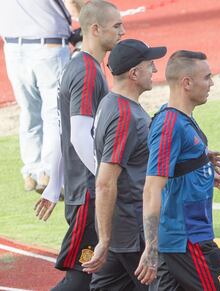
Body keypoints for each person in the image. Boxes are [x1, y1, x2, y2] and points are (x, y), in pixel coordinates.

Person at [35, 1, 125, 290]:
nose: (122, 31)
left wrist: (55, 184)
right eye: (117, 26)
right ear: (95, 29)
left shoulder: (83, 65)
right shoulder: (86, 71)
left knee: (107, 272)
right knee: (81, 277)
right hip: (89, 194)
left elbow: (65, 131)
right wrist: (106, 177)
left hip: (84, 189)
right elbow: (77, 134)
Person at [135, 50, 220, 291]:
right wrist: (150, 248)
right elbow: (152, 188)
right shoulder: (169, 125)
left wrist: (205, 172)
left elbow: (176, 170)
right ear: (187, 83)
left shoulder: (181, 119)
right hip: (188, 239)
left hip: (182, 238)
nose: (211, 83)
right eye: (207, 77)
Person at [81, 39, 167, 291]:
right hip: (132, 233)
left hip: (121, 232)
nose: (154, 70)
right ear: (134, 73)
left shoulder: (111, 103)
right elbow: (106, 181)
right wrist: (104, 240)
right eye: (150, 64)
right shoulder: (124, 115)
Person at [0, 0, 84, 193]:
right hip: (49, 45)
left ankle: (31, 170)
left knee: (29, 110)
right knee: (54, 112)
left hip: (13, 46)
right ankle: (50, 172)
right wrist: (87, 21)